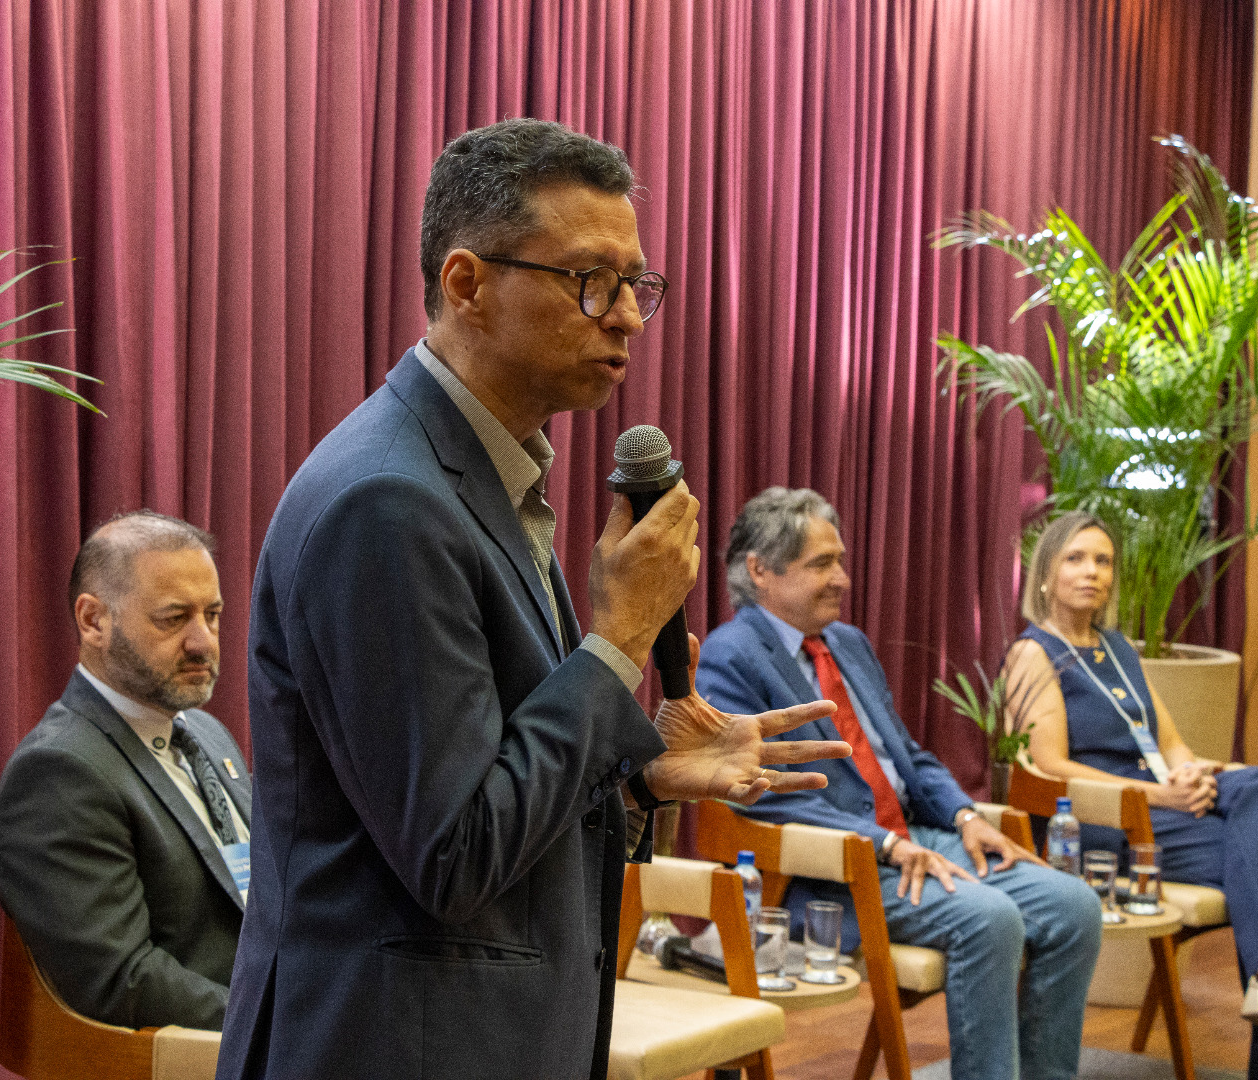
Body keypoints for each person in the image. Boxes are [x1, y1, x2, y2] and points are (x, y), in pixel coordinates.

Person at [217, 119, 847, 1080]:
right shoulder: (386, 501)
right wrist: (618, 641)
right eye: (590, 280)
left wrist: (638, 781)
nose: (628, 317)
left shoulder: (486, 478)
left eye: (637, 284)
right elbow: (454, 855)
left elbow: (492, 782)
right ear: (467, 284)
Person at [697, 487, 1103, 1080]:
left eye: (840, 561)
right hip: (833, 870)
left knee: (1075, 907)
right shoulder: (730, 656)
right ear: (760, 570)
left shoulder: (848, 644)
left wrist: (966, 816)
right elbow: (758, 793)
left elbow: (907, 757)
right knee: (990, 920)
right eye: (821, 564)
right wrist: (885, 843)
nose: (842, 579)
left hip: (917, 838)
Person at [1004, 511, 1258, 1080]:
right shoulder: (1034, 653)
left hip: (1163, 801)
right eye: (1076, 558)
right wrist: (1157, 795)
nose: (1092, 572)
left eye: (1103, 561)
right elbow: (1048, 767)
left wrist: (1191, 773)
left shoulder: (1117, 648)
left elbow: (1168, 741)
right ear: (1046, 573)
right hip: (1106, 818)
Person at [0, 511, 250, 1031]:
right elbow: (123, 981)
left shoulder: (208, 733)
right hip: (202, 1049)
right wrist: (285, 1022)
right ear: (93, 621)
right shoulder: (58, 772)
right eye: (174, 618)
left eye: (213, 614)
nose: (203, 641)